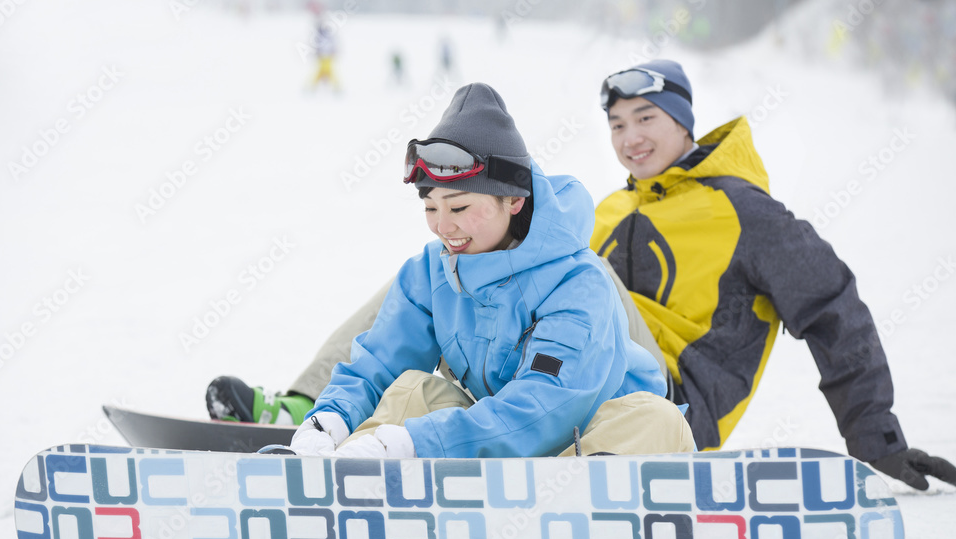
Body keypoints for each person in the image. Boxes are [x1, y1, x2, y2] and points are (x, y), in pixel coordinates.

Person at [209, 62, 956, 490]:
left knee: (473, 256)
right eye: (617, 125)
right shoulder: (606, 210)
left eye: (646, 119)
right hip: (535, 380)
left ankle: (334, 417)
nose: (629, 138)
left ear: (683, 121)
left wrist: (876, 438)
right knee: (446, 264)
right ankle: (320, 412)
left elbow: (832, 308)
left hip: (653, 394)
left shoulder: (745, 214)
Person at [250, 82, 693, 459]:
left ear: (513, 200)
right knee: (412, 391)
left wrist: (416, 444)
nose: (444, 227)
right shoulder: (433, 271)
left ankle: (586, 527)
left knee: (655, 417)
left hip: (589, 447)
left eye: (459, 206)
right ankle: (342, 490)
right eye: (430, 207)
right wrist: (330, 419)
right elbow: (379, 362)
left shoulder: (577, 283)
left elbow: (545, 406)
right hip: (493, 451)